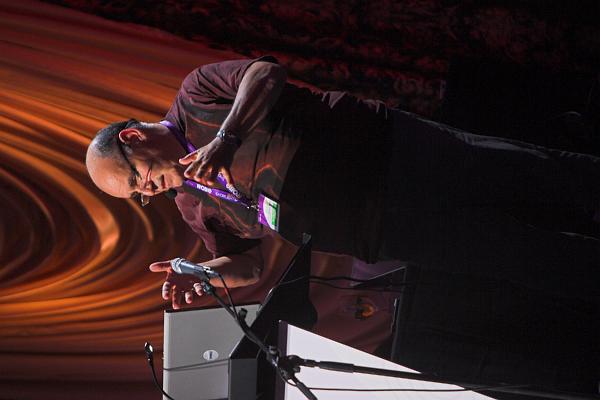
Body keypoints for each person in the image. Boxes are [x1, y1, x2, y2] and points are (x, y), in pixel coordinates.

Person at [86, 56, 600, 309]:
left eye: (136, 178)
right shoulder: (192, 205)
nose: (146, 191)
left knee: (529, 175)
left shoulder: (197, 94)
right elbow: (248, 265)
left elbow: (265, 73)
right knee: (512, 255)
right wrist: (202, 274)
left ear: (134, 137)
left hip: (390, 155)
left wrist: (226, 137)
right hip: (377, 230)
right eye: (137, 196)